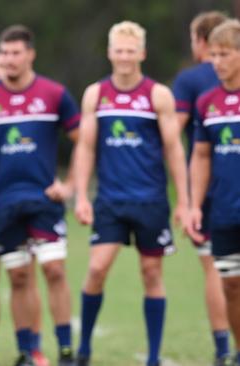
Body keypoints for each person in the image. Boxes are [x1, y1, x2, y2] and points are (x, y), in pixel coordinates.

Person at [0, 25, 80, 366]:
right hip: (2, 204)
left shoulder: (54, 93)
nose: (9, 59)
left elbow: (83, 140)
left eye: (16, 53)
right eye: (5, 53)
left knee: (54, 270)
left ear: (30, 54)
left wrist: (70, 184)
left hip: (45, 200)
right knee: (18, 276)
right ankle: (28, 351)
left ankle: (66, 352)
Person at [73, 21, 189, 366]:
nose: (124, 57)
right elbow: (86, 149)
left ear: (142, 53)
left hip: (151, 201)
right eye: (119, 50)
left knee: (152, 273)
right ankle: (84, 350)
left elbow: (174, 150)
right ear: (110, 53)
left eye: (130, 50)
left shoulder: (158, 95)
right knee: (96, 269)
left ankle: (153, 357)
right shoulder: (96, 94)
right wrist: (81, 195)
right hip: (110, 201)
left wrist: (183, 200)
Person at [0, 44, 50, 366]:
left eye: (2, 65)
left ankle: (32, 347)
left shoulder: (19, 110)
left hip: (12, 206)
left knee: (23, 277)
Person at [172, 11, 233, 365]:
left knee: (216, 270)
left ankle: (223, 346)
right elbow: (199, 150)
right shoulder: (208, 94)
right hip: (219, 192)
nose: (217, 62)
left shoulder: (189, 80)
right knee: (226, 275)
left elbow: (172, 134)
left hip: (213, 193)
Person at [187, 18, 240, 366]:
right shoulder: (207, 102)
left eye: (224, 54)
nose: (216, 61)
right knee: (231, 286)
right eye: (213, 54)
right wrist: (193, 204)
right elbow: (201, 155)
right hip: (224, 210)